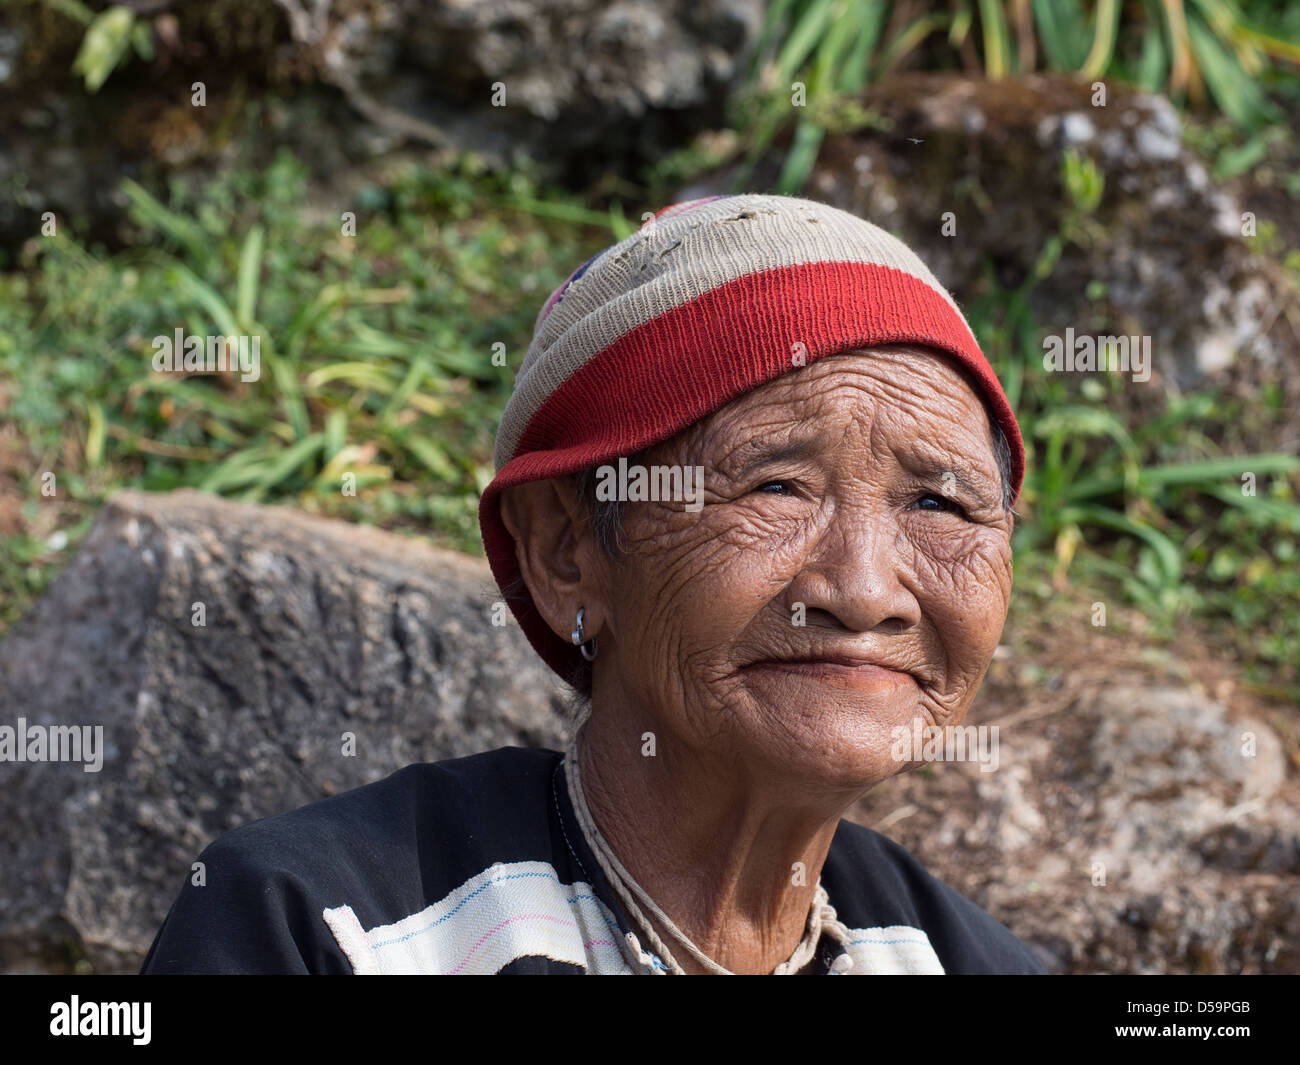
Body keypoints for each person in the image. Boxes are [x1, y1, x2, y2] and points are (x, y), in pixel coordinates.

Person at [142, 193, 1044, 975]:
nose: (862, 588)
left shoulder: (975, 963)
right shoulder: (319, 932)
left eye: (941, 502)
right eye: (775, 484)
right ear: (568, 548)